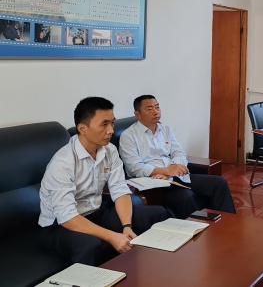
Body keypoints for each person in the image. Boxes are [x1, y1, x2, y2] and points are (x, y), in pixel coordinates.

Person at [38, 97, 168, 266]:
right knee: (90, 245)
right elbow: (67, 217)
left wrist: (126, 225)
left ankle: (154, 268)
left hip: (95, 213)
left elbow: (120, 190)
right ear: (82, 128)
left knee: (155, 214)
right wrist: (112, 236)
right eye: (104, 124)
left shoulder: (109, 150)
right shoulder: (62, 163)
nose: (111, 130)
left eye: (112, 123)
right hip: (59, 225)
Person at [119, 95, 236, 219]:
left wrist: (172, 170)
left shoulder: (166, 129)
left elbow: (179, 153)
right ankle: (200, 229)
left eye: (157, 107)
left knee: (219, 183)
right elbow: (134, 167)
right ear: (137, 114)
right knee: (185, 196)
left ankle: (229, 223)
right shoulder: (128, 136)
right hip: (154, 184)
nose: (156, 111)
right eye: (149, 109)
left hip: (176, 177)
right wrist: (166, 171)